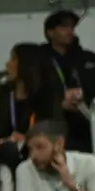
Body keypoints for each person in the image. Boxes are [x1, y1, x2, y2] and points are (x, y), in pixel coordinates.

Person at [0, 45, 64, 168]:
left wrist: (27, 138)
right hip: (3, 154)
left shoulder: (47, 95)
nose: (7, 64)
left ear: (27, 64)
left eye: (13, 59)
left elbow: (55, 127)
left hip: (36, 154)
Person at [43, 10, 95, 153]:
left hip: (86, 123)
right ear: (50, 32)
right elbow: (37, 92)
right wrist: (60, 102)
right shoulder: (41, 60)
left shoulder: (87, 58)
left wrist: (84, 93)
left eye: (72, 27)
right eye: (64, 27)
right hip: (53, 125)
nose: (70, 31)